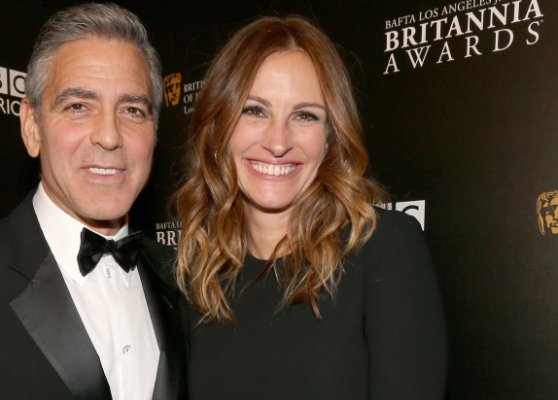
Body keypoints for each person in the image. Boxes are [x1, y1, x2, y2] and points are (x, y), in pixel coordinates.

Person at [0, 4, 187, 400]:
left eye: (132, 110)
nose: (110, 136)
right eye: (78, 107)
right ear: (32, 126)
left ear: (155, 132)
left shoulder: (182, 278)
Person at [174, 15, 446, 399]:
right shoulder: (199, 275)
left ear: (331, 137)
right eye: (255, 110)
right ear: (219, 127)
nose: (278, 141)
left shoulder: (383, 249)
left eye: (305, 115)